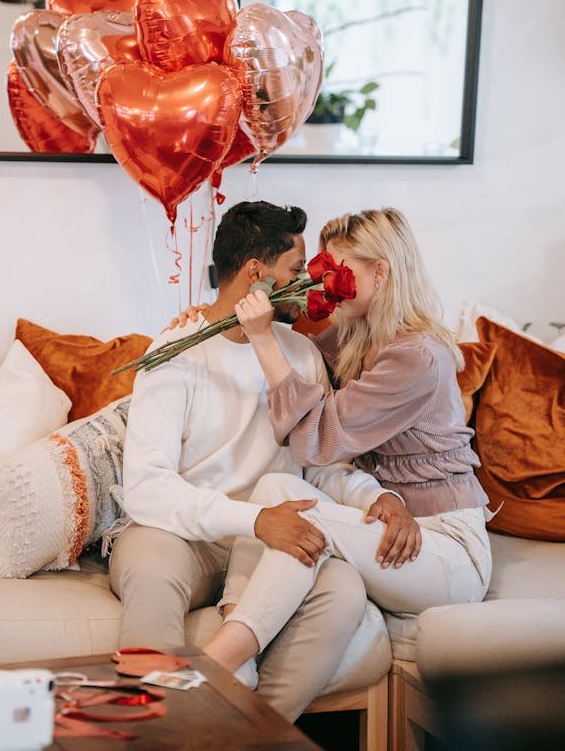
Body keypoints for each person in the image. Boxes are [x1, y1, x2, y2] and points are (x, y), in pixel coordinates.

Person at [109, 200, 406, 721]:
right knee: (151, 570)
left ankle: (248, 732)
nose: (308, 282)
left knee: (344, 589)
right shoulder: (175, 352)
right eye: (296, 269)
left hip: (275, 537)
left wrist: (378, 495)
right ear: (256, 274)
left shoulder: (300, 353)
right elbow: (148, 489)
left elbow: (320, 463)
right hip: (182, 536)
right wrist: (257, 520)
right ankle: (149, 733)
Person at [202, 207, 493, 679]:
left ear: (380, 272)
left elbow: (317, 437)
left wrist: (261, 338)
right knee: (277, 489)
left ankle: (222, 658)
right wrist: (214, 322)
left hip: (447, 550)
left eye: (340, 270)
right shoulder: (354, 339)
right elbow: (290, 366)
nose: (325, 281)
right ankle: (235, 630)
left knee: (301, 516)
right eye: (322, 269)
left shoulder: (418, 357)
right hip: (393, 528)